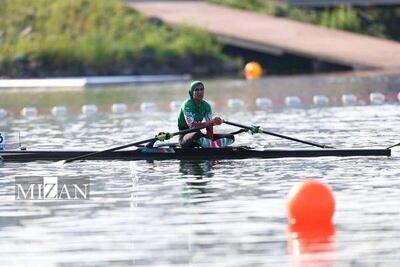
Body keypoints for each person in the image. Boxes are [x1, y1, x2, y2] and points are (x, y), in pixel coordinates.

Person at [177, 81, 238, 148]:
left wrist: (210, 139)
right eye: (196, 90)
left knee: (230, 137)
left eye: (201, 89)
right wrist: (211, 122)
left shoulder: (206, 106)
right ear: (191, 93)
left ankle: (210, 145)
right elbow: (192, 126)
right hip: (185, 136)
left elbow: (209, 127)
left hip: (199, 136)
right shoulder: (187, 105)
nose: (200, 92)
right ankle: (212, 146)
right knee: (196, 135)